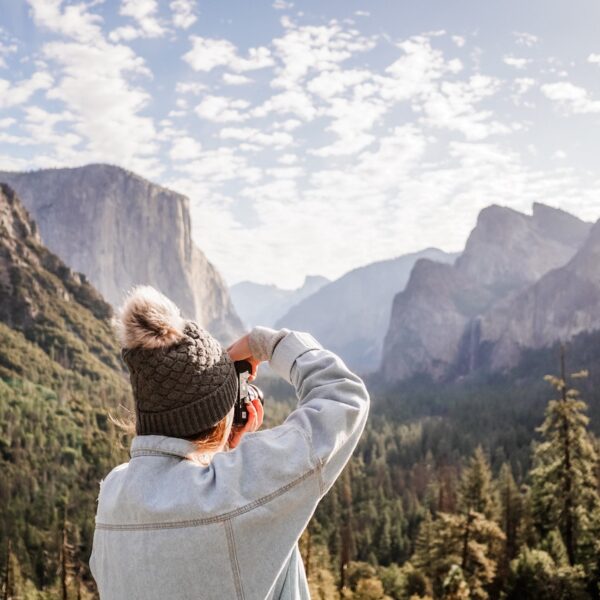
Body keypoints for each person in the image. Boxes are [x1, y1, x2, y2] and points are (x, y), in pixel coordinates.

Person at [89, 284, 370, 599]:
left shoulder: (113, 496)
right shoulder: (236, 491)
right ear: (220, 417)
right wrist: (267, 343)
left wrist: (222, 445)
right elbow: (343, 395)